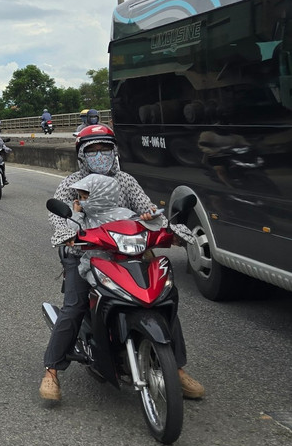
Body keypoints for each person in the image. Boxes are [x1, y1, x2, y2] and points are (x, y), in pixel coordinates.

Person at [39, 124, 205, 402]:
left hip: (128, 251)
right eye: (92, 150)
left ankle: (175, 369)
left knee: (161, 299)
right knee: (75, 305)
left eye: (105, 149)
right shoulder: (72, 183)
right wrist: (68, 235)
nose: (99, 155)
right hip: (84, 251)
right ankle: (52, 370)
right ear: (81, 155)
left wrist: (166, 230)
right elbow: (58, 215)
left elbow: (147, 211)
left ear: (114, 151)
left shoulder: (126, 180)